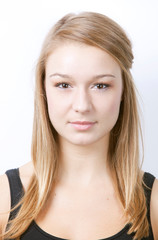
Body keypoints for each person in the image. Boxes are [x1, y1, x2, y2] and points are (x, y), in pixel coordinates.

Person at [0, 11, 158, 240]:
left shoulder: (153, 204)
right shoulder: (4, 199)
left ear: (123, 91)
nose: (82, 105)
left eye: (101, 86)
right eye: (64, 85)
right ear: (44, 90)